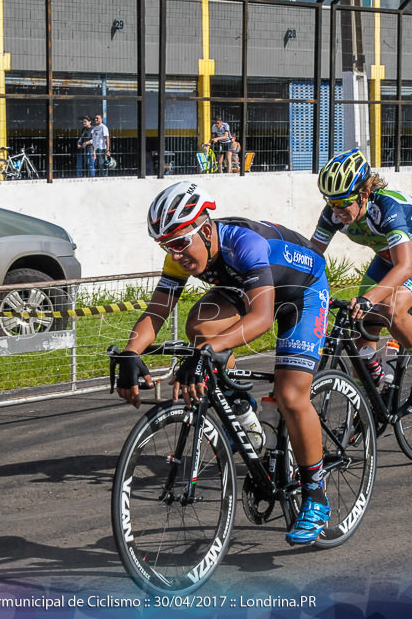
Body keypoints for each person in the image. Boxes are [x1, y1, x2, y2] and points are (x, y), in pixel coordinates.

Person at [114, 181, 333, 545]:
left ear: (205, 228)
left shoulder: (243, 243)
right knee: (199, 325)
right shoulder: (180, 251)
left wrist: (205, 354)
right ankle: (243, 416)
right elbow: (157, 311)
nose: (176, 253)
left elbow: (262, 318)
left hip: (302, 292)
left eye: (180, 242)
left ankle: (315, 494)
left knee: (291, 395)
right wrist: (130, 352)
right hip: (248, 290)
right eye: (166, 246)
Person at [310, 148, 412, 410]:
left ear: (363, 195)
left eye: (342, 202)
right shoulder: (333, 212)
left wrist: (368, 299)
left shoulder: (387, 208)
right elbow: (311, 256)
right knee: (358, 324)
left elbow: (404, 268)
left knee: (390, 309)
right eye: (330, 202)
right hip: (386, 258)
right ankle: (371, 396)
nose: (335, 210)